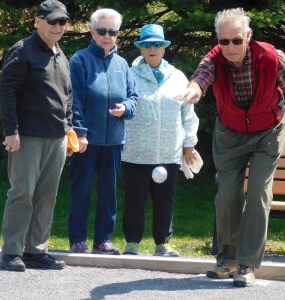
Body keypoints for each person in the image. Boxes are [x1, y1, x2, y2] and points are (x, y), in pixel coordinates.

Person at [181, 8, 285, 287]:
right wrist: (194, 90)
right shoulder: (214, 59)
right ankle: (226, 259)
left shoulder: (271, 57)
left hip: (269, 129)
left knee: (258, 196)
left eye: (236, 40)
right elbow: (201, 76)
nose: (230, 47)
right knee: (227, 195)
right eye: (224, 41)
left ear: (248, 37)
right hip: (230, 131)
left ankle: (247, 264)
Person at [0, 0, 72, 271]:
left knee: (46, 196)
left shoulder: (60, 54)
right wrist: (11, 131)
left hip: (57, 137)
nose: (57, 26)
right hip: (27, 136)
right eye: (52, 21)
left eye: (62, 22)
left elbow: (67, 96)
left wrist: (69, 128)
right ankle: (12, 252)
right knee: (22, 194)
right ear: (37, 21)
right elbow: (7, 92)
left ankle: (36, 251)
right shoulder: (22, 50)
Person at [121, 24, 199, 257]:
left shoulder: (178, 77)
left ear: (164, 48)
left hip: (168, 152)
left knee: (165, 201)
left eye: (157, 44)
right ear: (141, 49)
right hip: (135, 152)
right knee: (134, 200)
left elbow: (188, 114)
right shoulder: (129, 74)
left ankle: (162, 244)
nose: (152, 48)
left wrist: (189, 144)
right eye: (146, 45)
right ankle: (132, 244)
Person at [68, 8, 138, 255]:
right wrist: (80, 132)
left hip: (115, 140)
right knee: (82, 190)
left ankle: (103, 240)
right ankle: (77, 239)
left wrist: (126, 108)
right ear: (92, 32)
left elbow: (133, 97)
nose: (107, 36)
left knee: (109, 193)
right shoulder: (79, 60)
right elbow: (74, 101)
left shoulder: (122, 63)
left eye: (113, 32)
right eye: (102, 31)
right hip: (87, 139)